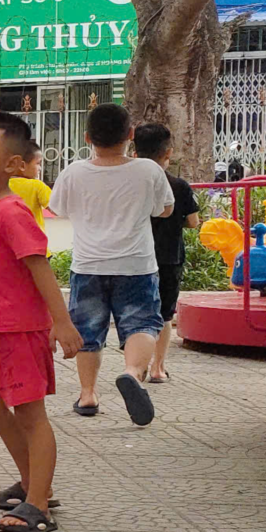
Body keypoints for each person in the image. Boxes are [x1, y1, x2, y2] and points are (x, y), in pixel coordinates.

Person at [0, 112, 82, 532]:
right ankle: (32, 482)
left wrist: (61, 323)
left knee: (31, 415)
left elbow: (38, 267)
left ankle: (39, 505)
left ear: (13, 164)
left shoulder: (10, 211)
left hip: (21, 331)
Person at [49, 102, 171, 424]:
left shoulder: (73, 172)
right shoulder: (149, 170)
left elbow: (58, 209)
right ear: (130, 134)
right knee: (142, 324)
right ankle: (131, 372)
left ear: (87, 137)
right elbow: (165, 209)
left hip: (88, 265)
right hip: (137, 265)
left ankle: (88, 394)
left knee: (88, 332)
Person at [134, 121, 201, 384]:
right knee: (164, 314)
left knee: (138, 312)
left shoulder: (132, 183)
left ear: (135, 151)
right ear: (168, 152)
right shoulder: (179, 185)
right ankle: (157, 368)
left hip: (136, 255)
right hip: (169, 256)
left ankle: (135, 366)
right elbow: (193, 222)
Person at [9, 142, 53, 224]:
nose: (40, 168)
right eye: (38, 163)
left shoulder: (0, 185)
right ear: (22, 166)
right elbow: (55, 208)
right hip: (33, 232)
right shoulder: (37, 186)